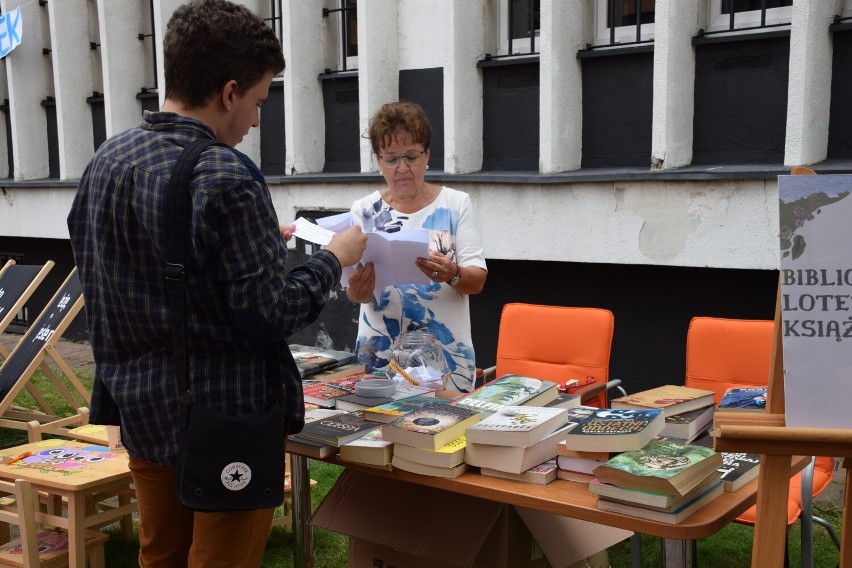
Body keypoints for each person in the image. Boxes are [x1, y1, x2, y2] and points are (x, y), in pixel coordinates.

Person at [66, 1, 366, 566]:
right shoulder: (225, 172)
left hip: (143, 411)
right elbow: (269, 312)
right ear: (229, 93)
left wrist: (251, 248)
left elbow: (127, 272)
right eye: (257, 102)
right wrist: (332, 258)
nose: (255, 120)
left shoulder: (106, 161)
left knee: (162, 556)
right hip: (224, 415)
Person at [346, 101, 488, 393]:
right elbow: (354, 293)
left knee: (442, 435)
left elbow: (477, 281)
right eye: (391, 159)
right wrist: (359, 289)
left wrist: (452, 273)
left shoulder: (455, 204)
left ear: (427, 156)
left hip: (446, 359)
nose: (402, 169)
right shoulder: (364, 210)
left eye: (411, 156)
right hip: (380, 359)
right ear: (378, 161)